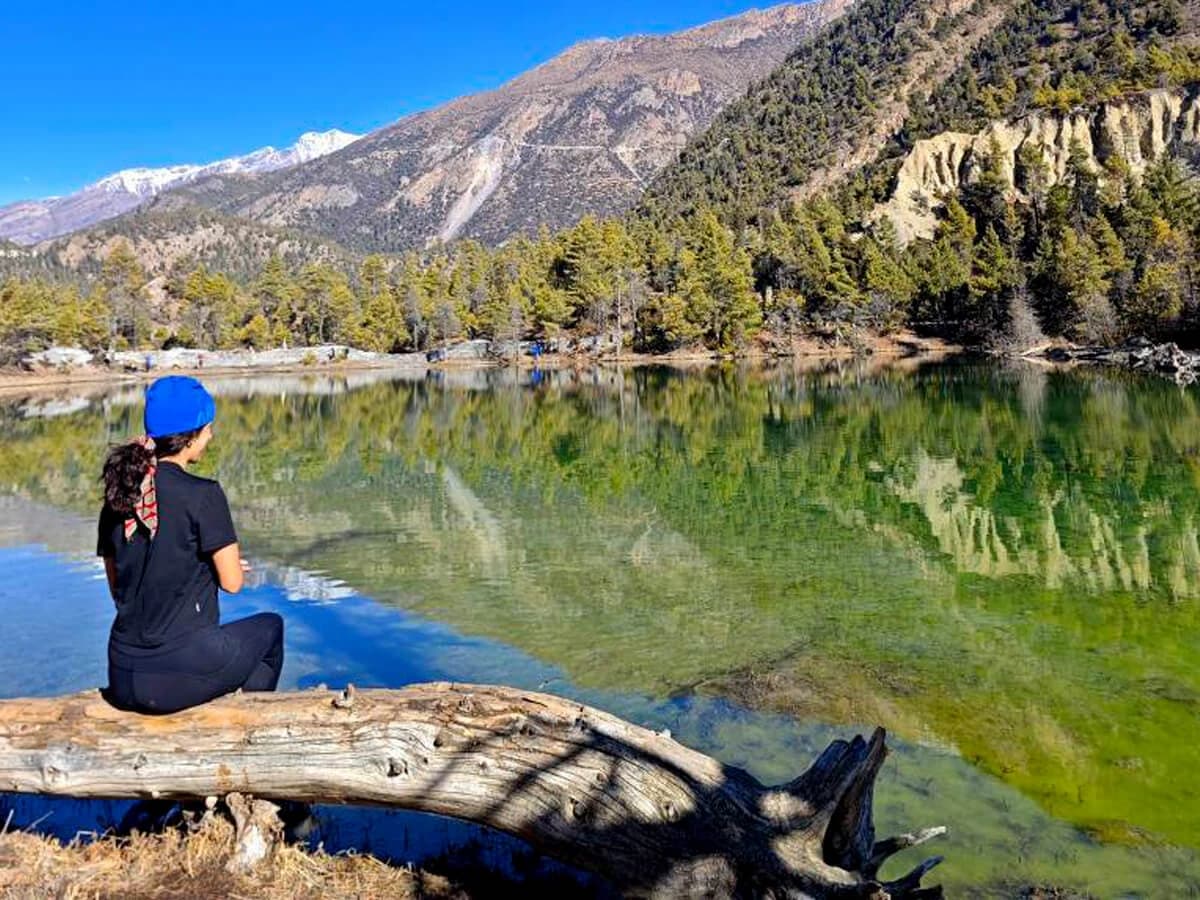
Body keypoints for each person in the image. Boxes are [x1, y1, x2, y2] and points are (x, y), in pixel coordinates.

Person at [98, 376, 284, 715]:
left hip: (122, 672)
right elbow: (232, 583)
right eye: (208, 428)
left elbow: (120, 586)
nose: (210, 436)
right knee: (271, 629)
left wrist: (201, 567)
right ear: (190, 436)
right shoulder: (204, 494)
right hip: (173, 678)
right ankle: (250, 731)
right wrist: (215, 569)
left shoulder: (119, 494)